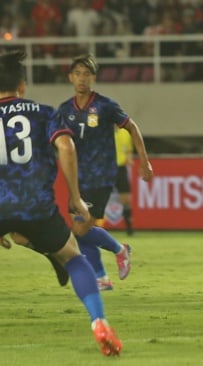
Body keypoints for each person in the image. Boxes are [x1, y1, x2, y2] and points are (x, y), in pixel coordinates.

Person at [0, 50, 122, 356]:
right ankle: (99, 323)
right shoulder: (44, 112)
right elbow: (66, 146)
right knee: (74, 257)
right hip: (36, 206)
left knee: (15, 234)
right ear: (23, 86)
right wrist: (75, 197)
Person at [57, 54, 153, 290]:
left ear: (93, 78)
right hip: (77, 177)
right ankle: (102, 277)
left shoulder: (105, 105)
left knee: (80, 228)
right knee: (81, 230)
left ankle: (119, 251)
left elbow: (131, 126)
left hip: (101, 174)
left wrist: (144, 161)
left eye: (86, 74)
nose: (82, 78)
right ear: (70, 77)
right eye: (77, 73)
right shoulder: (64, 110)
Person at [114, 124, 134, 236]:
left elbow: (129, 151)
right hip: (107, 168)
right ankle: (92, 228)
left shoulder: (125, 133)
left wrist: (129, 160)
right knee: (99, 198)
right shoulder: (103, 132)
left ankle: (129, 229)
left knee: (125, 199)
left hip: (121, 168)